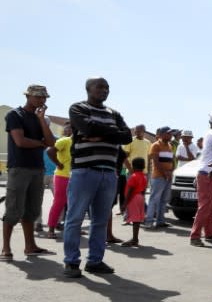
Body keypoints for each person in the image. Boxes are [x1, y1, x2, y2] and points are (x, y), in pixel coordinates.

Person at [62, 77, 132, 277]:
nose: (105, 90)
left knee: (100, 221)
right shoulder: (78, 108)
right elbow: (87, 128)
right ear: (88, 89)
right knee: (75, 219)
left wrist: (100, 133)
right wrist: (111, 132)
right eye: (100, 86)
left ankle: (95, 261)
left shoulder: (113, 113)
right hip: (84, 171)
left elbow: (127, 136)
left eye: (107, 87)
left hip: (109, 173)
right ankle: (71, 262)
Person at [1, 84, 57, 262]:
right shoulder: (14, 115)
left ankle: (30, 246)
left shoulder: (42, 119)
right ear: (28, 96)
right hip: (19, 168)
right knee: (13, 209)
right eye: (38, 97)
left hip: (37, 168)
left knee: (32, 210)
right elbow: (20, 141)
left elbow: (50, 142)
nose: (42, 100)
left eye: (44, 97)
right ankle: (6, 248)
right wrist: (39, 143)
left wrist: (41, 119)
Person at [190, 113, 212, 246]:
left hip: (207, 173)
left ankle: (209, 233)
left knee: (210, 205)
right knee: (205, 206)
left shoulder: (209, 134)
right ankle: (195, 236)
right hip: (207, 174)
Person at [46, 121, 72, 239]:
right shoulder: (64, 141)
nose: (67, 131)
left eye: (69, 129)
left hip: (76, 177)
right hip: (62, 176)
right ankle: (51, 229)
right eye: (66, 129)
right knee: (59, 203)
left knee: (74, 204)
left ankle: (73, 228)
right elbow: (49, 151)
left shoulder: (80, 143)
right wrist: (58, 164)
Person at [144, 127, 174, 229]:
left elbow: (171, 161)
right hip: (158, 177)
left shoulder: (169, 146)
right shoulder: (156, 145)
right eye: (168, 134)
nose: (170, 136)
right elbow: (156, 162)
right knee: (154, 199)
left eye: (171, 134)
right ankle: (149, 221)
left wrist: (170, 172)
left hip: (167, 177)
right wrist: (165, 173)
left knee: (163, 200)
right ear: (161, 134)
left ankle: (160, 221)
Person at [121, 157, 147, 247]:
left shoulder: (133, 176)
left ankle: (135, 239)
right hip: (140, 197)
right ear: (144, 166)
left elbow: (130, 190)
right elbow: (143, 189)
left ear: (133, 166)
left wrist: (124, 204)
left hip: (134, 198)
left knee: (135, 219)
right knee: (137, 219)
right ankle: (135, 238)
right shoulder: (143, 176)